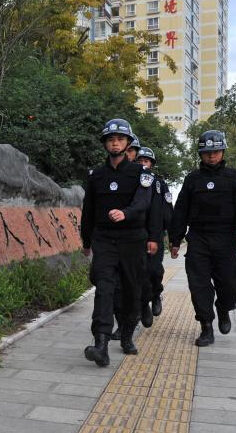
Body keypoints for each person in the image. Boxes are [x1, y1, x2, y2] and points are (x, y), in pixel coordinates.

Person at [81, 118, 155, 366]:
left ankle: (127, 334)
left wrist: (126, 213)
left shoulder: (142, 173)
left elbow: (143, 202)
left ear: (127, 143)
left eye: (120, 139)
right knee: (104, 288)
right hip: (104, 239)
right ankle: (101, 344)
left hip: (132, 240)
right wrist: (86, 240)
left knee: (132, 290)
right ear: (105, 143)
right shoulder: (96, 175)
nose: (115, 143)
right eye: (111, 140)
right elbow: (88, 211)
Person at [169, 130, 236, 346]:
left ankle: (224, 308)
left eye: (216, 152)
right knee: (199, 285)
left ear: (222, 152)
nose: (212, 156)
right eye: (207, 152)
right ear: (201, 154)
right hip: (199, 238)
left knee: (230, 283)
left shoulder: (234, 178)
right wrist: (176, 240)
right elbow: (180, 210)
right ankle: (206, 326)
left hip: (225, 238)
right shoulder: (192, 179)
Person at [111, 137, 160, 341]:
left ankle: (145, 303)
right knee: (116, 285)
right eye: (128, 150)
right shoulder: (114, 175)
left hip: (142, 237)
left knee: (144, 278)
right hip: (115, 239)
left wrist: (154, 237)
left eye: (132, 151)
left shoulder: (147, 178)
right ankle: (122, 325)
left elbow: (156, 211)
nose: (129, 154)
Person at [136, 147, 173, 317]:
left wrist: (173, 238)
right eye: (140, 161)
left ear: (151, 164)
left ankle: (156, 295)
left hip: (156, 235)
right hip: (135, 234)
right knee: (139, 272)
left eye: (146, 161)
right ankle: (143, 304)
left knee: (155, 270)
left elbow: (168, 211)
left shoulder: (160, 184)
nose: (143, 164)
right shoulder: (131, 182)